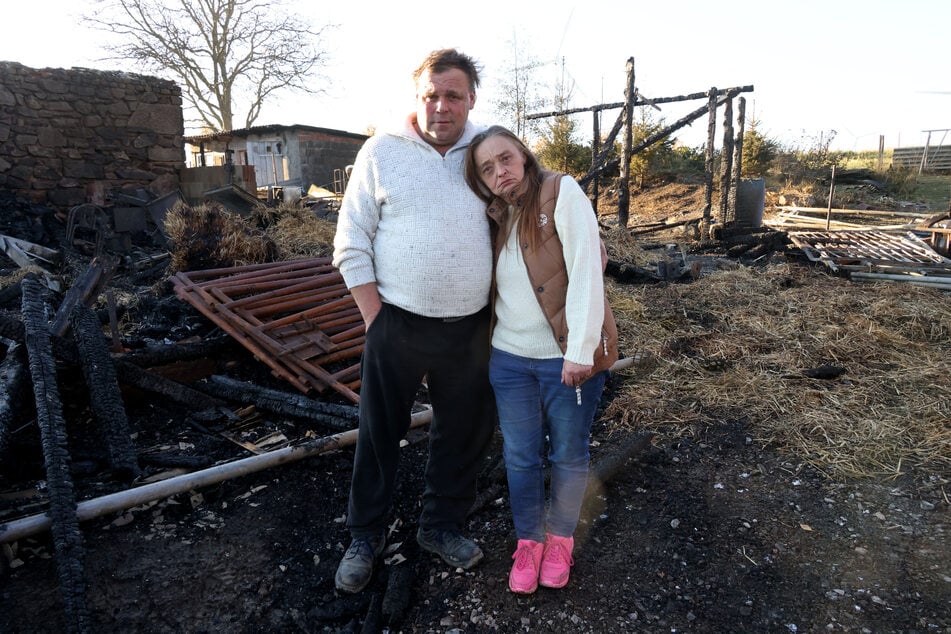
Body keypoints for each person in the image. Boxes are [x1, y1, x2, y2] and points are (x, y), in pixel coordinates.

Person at [330, 49, 495, 594]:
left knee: (462, 432)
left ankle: (439, 525)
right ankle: (365, 534)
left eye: (453, 95)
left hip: (471, 325)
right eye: (432, 94)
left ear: (471, 99)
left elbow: (536, 204)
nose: (441, 106)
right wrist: (377, 320)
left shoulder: (490, 150)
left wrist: (584, 236)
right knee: (379, 433)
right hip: (396, 321)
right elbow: (350, 241)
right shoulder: (382, 151)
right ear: (417, 96)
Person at [464, 125, 613, 594]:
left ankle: (561, 539)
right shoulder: (493, 216)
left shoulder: (560, 191)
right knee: (520, 456)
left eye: (505, 159)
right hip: (509, 360)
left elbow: (589, 270)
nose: (499, 172)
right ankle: (528, 541)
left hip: (563, 358)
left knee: (568, 454)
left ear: (524, 157)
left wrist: (580, 350)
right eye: (488, 168)